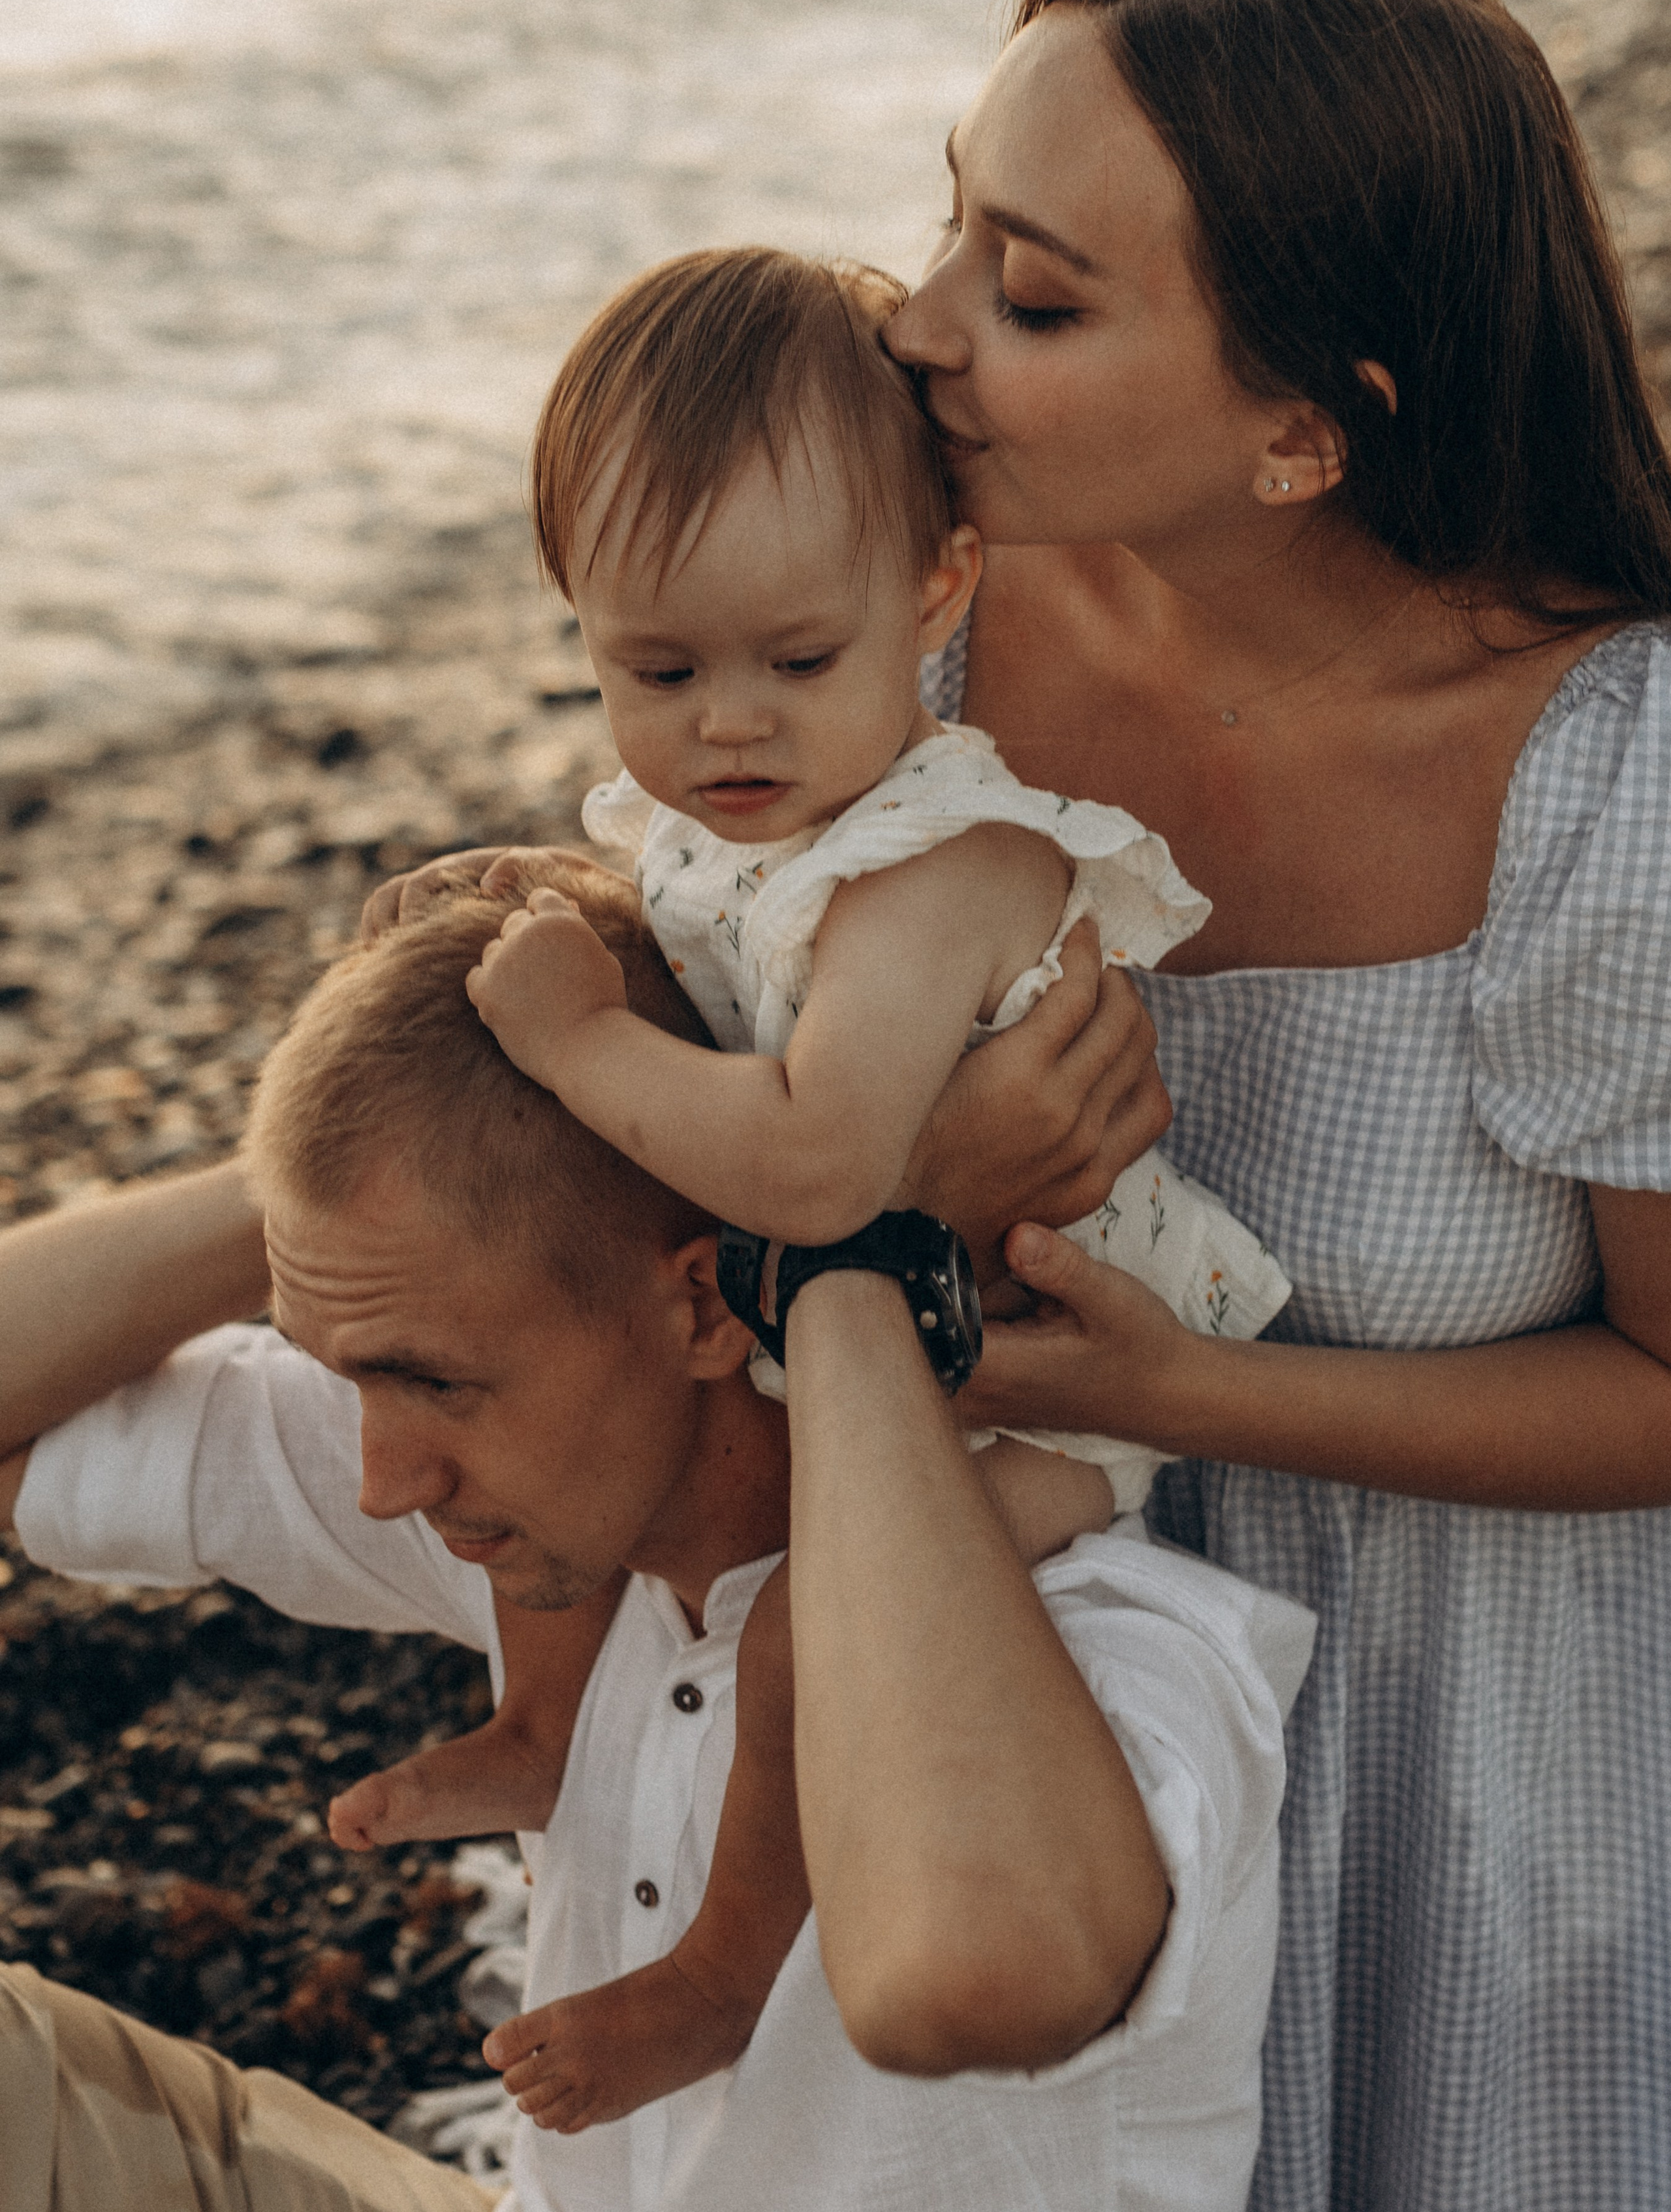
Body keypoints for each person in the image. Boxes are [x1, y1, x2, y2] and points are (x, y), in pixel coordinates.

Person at [381, 0, 1671, 2212]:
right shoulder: (920, 633)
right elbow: (719, 988)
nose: (914, 320)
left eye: (1037, 293)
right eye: (951, 219)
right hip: (996, 1687)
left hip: (1493, 1806)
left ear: (1308, 429)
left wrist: (1171, 1393)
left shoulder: (1612, 783)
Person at [338, 243, 1294, 2128]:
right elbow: (694, 971)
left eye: (800, 661)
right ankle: (544, 1727)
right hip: (855, 1329)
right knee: (577, 1422)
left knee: (792, 1621)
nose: (730, 732)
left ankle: (720, 1966)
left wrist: (574, 1047)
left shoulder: (945, 864)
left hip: (1042, 1363)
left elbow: (824, 1160)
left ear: (937, 586)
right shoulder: (727, 814)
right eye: (656, 669)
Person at [0, 865, 1315, 2212]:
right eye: (354, 1377)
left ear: (702, 1308)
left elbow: (967, 1979)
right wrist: (379, 1125)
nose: (384, 1479)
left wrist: (843, 1242)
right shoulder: (582, 1539)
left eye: (433, 1380)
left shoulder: (1112, 1650)